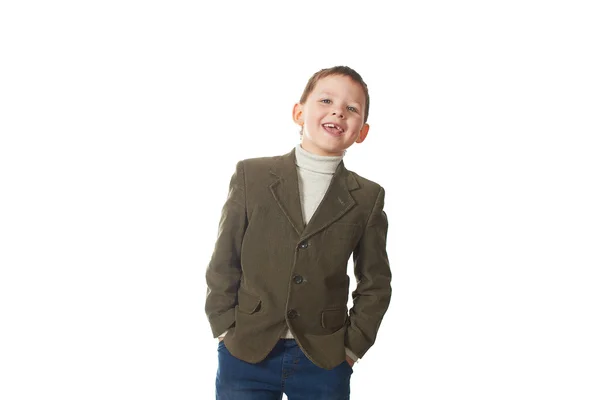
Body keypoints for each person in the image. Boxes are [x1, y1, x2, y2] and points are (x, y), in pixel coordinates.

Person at [205, 66, 392, 399]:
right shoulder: (253, 176)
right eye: (326, 100)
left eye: (351, 108)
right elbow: (224, 259)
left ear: (361, 131)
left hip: (324, 358)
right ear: (298, 112)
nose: (338, 110)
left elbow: (375, 282)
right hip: (246, 350)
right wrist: (223, 327)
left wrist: (351, 348)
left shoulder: (367, 196)